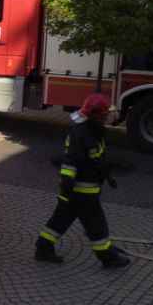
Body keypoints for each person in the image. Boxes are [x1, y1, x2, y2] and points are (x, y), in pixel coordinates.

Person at [34, 93, 130, 269]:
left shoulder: (91, 132)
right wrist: (66, 185)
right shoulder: (84, 135)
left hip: (79, 189)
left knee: (61, 219)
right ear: (96, 116)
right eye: (105, 115)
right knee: (96, 224)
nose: (107, 118)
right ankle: (108, 258)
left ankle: (43, 247)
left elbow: (94, 159)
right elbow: (71, 162)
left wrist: (108, 173)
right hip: (83, 191)